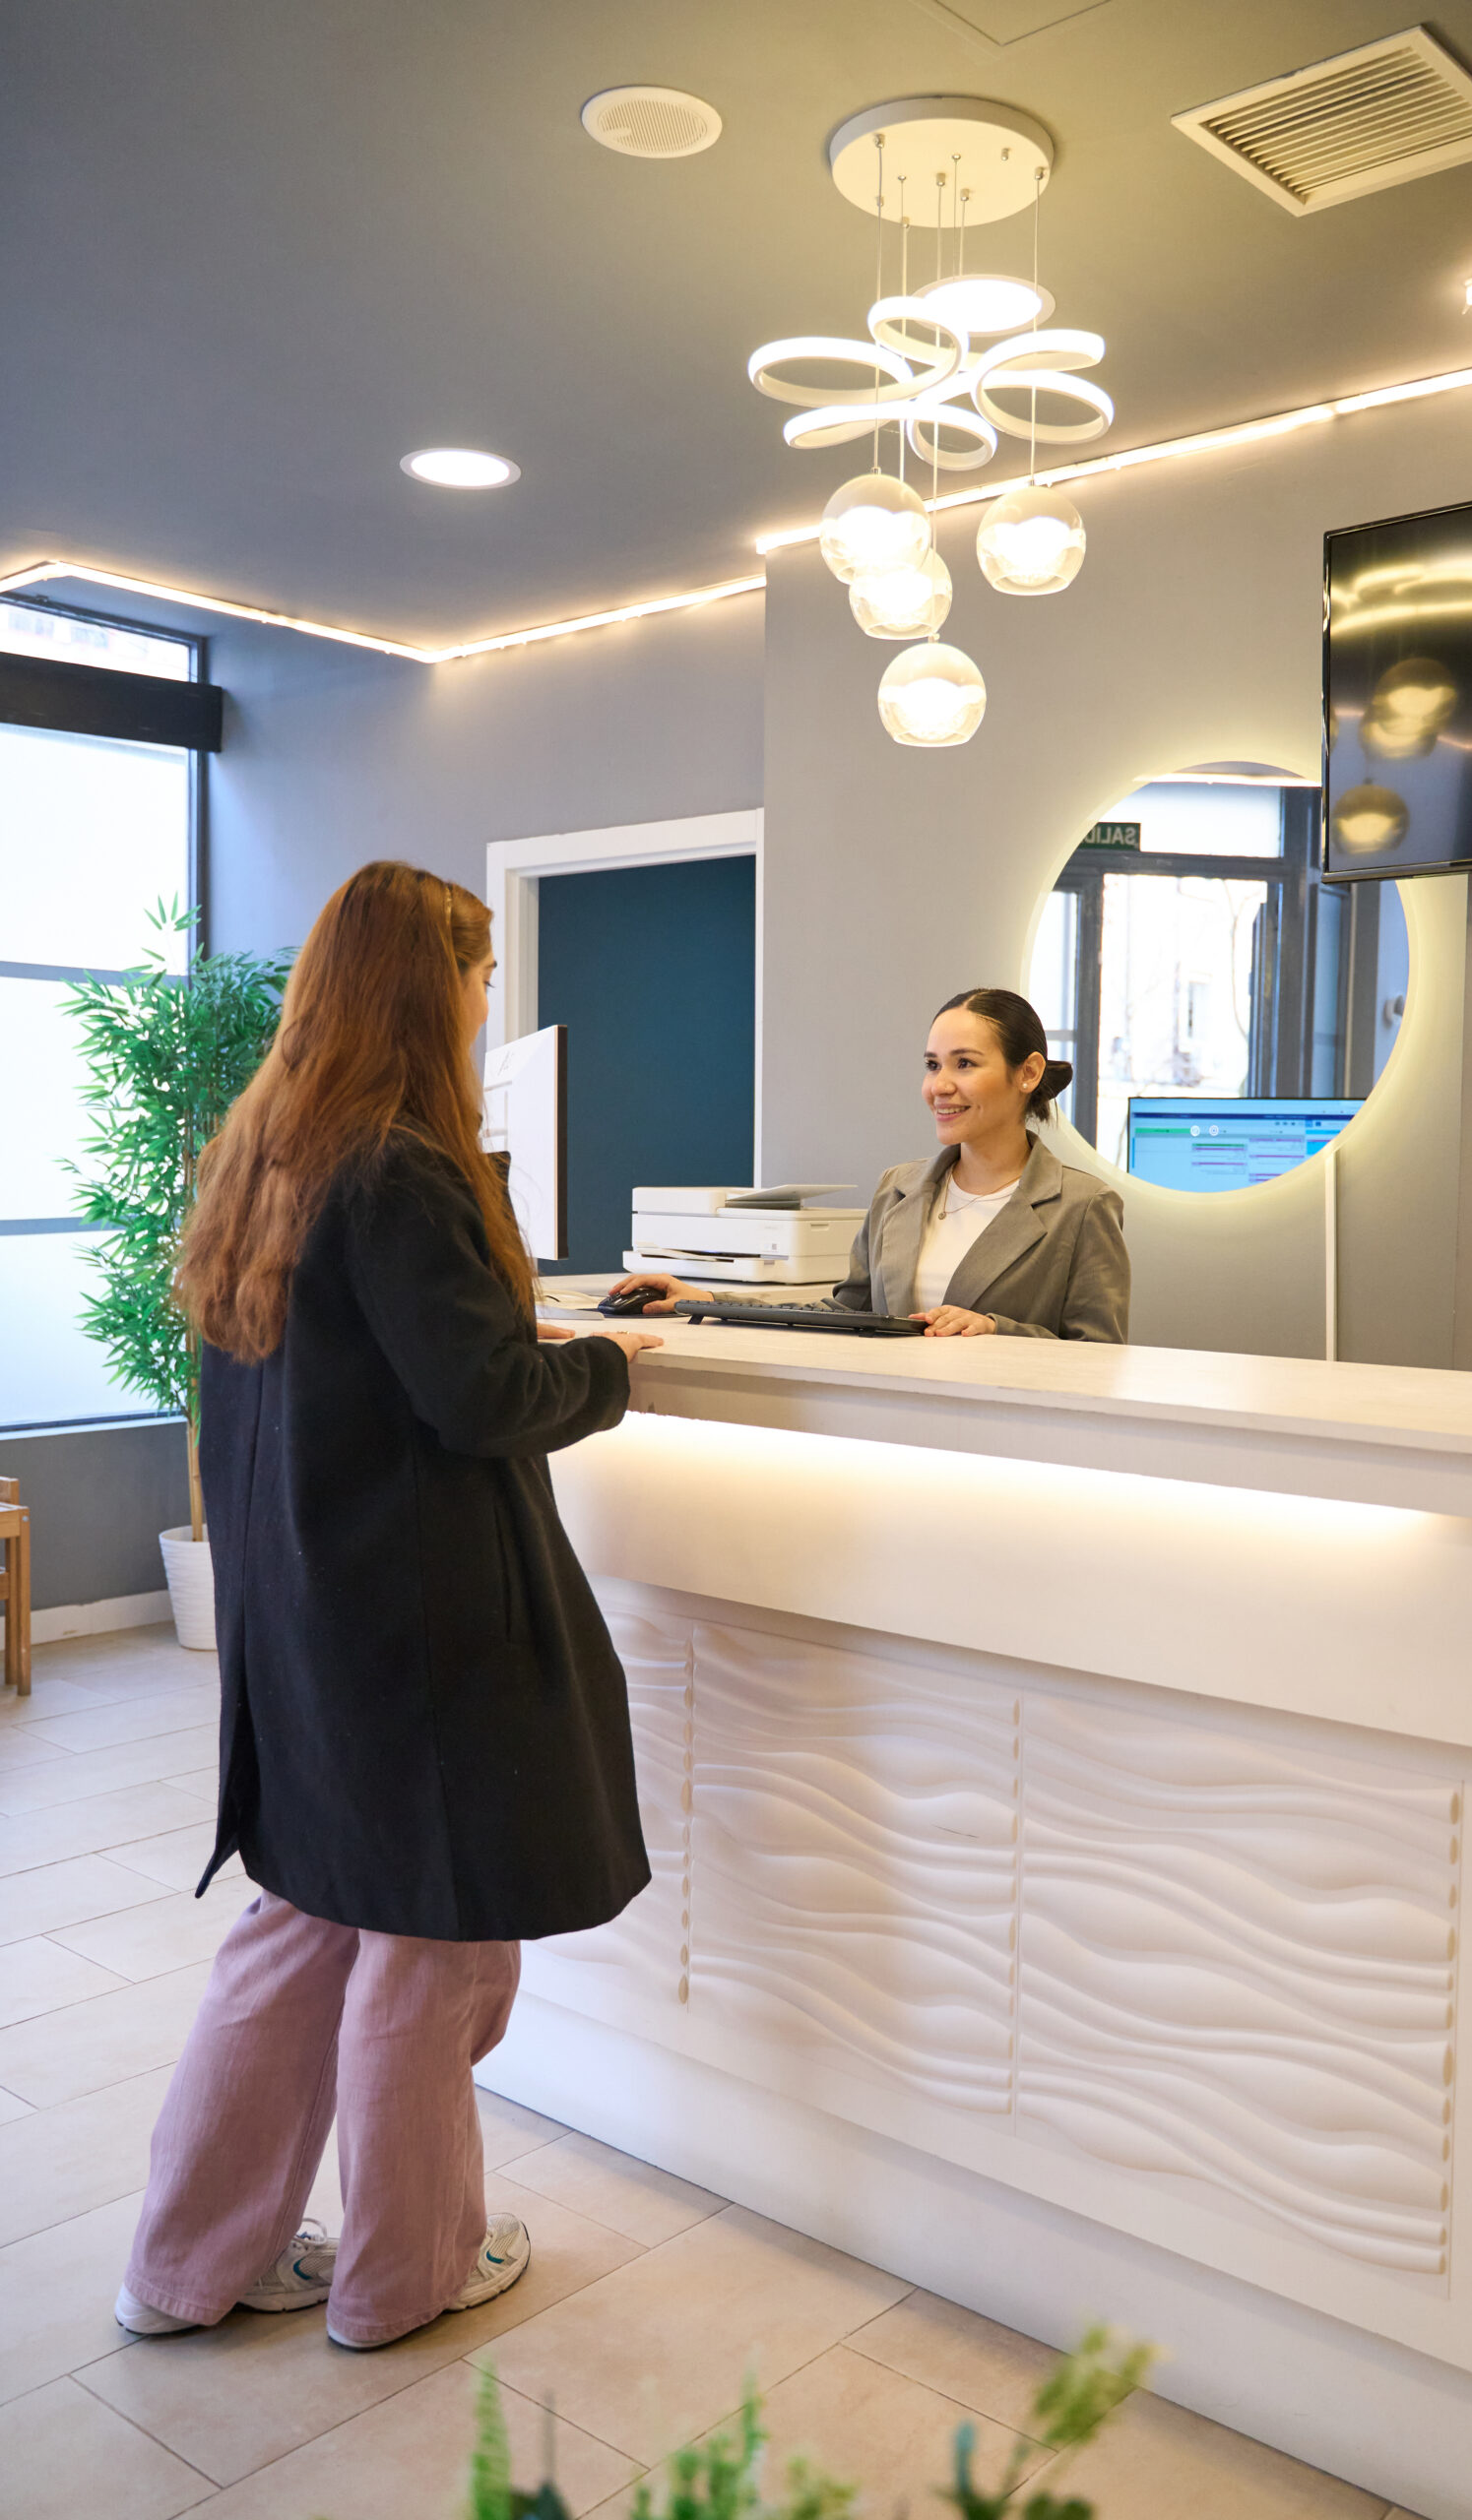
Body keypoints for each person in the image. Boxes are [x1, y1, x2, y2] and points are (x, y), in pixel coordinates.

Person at [114, 861, 662, 2352]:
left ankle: (184, 2264)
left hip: (300, 1612)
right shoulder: (406, 1165)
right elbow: (482, 1395)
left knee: (298, 1927)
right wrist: (608, 1366)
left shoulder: (264, 1151)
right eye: (481, 979)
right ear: (434, 989)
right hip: (418, 1633)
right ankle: (405, 2274)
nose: (491, 1006)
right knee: (434, 1941)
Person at [619, 986, 1129, 1342]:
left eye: (965, 1064)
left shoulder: (1083, 1207)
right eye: (932, 1065)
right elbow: (844, 1314)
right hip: (888, 1435)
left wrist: (997, 1329)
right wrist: (705, 1301)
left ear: (1028, 1073)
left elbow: (1099, 1356)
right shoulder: (899, 1188)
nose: (940, 1086)